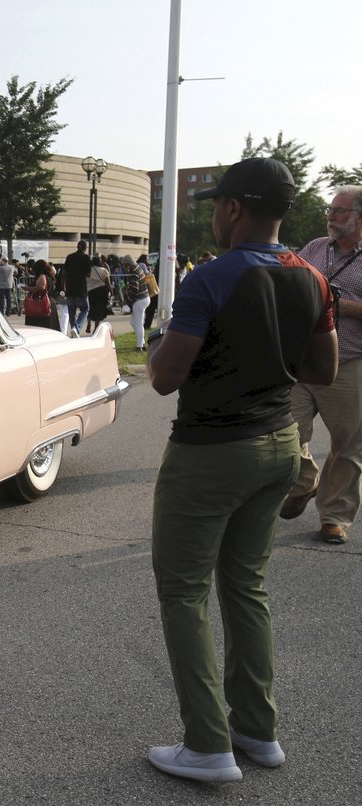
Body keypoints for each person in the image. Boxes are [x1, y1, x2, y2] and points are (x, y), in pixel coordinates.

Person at [145, 158, 338, 784]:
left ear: (232, 209)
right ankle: (257, 730)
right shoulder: (311, 275)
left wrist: (163, 344)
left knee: (184, 593)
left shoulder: (212, 277)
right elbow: (323, 372)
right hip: (279, 442)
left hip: (210, 450)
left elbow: (165, 379)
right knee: (246, 587)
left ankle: (206, 745)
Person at [283, 185, 362, 544]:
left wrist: (336, 304)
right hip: (300, 361)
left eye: (340, 210)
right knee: (284, 432)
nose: (330, 215)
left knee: (347, 445)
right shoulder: (315, 248)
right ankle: (304, 479)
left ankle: (334, 516)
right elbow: (291, 281)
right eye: (330, 209)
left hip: (349, 362)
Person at [61, 239, 92, 337]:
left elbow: (63, 273)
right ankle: (76, 328)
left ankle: (74, 331)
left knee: (72, 312)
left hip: (70, 288)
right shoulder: (86, 258)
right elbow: (88, 274)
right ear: (85, 248)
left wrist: (63, 287)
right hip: (81, 289)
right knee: (85, 309)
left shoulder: (69, 257)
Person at [122, 255, 151, 350]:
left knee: (137, 323)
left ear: (128, 264)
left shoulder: (134, 272)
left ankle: (140, 346)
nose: (125, 268)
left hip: (139, 300)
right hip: (144, 298)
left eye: (125, 265)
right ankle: (141, 342)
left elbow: (134, 290)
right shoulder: (138, 268)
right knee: (134, 322)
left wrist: (128, 302)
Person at [86, 255, 113, 333]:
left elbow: (86, 281)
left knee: (90, 308)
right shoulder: (104, 270)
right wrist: (111, 291)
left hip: (90, 292)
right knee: (99, 310)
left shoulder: (88, 270)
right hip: (101, 292)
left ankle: (88, 324)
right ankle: (96, 328)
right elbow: (108, 283)